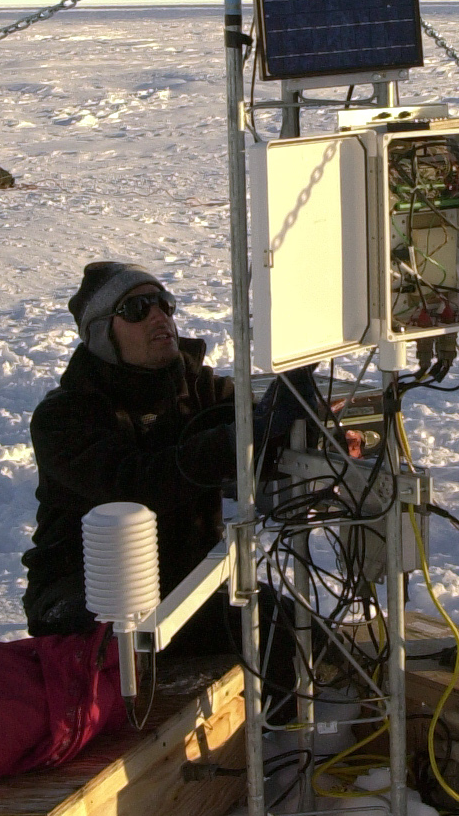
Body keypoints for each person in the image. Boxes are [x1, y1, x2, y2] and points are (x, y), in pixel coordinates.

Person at [24, 261, 308, 655]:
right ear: (102, 333)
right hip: (86, 596)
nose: (159, 316)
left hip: (184, 582)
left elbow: (259, 434)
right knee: (134, 652)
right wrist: (239, 438)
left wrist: (312, 432)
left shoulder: (197, 387)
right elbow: (136, 484)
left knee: (297, 635)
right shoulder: (64, 417)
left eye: (164, 303)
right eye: (137, 309)